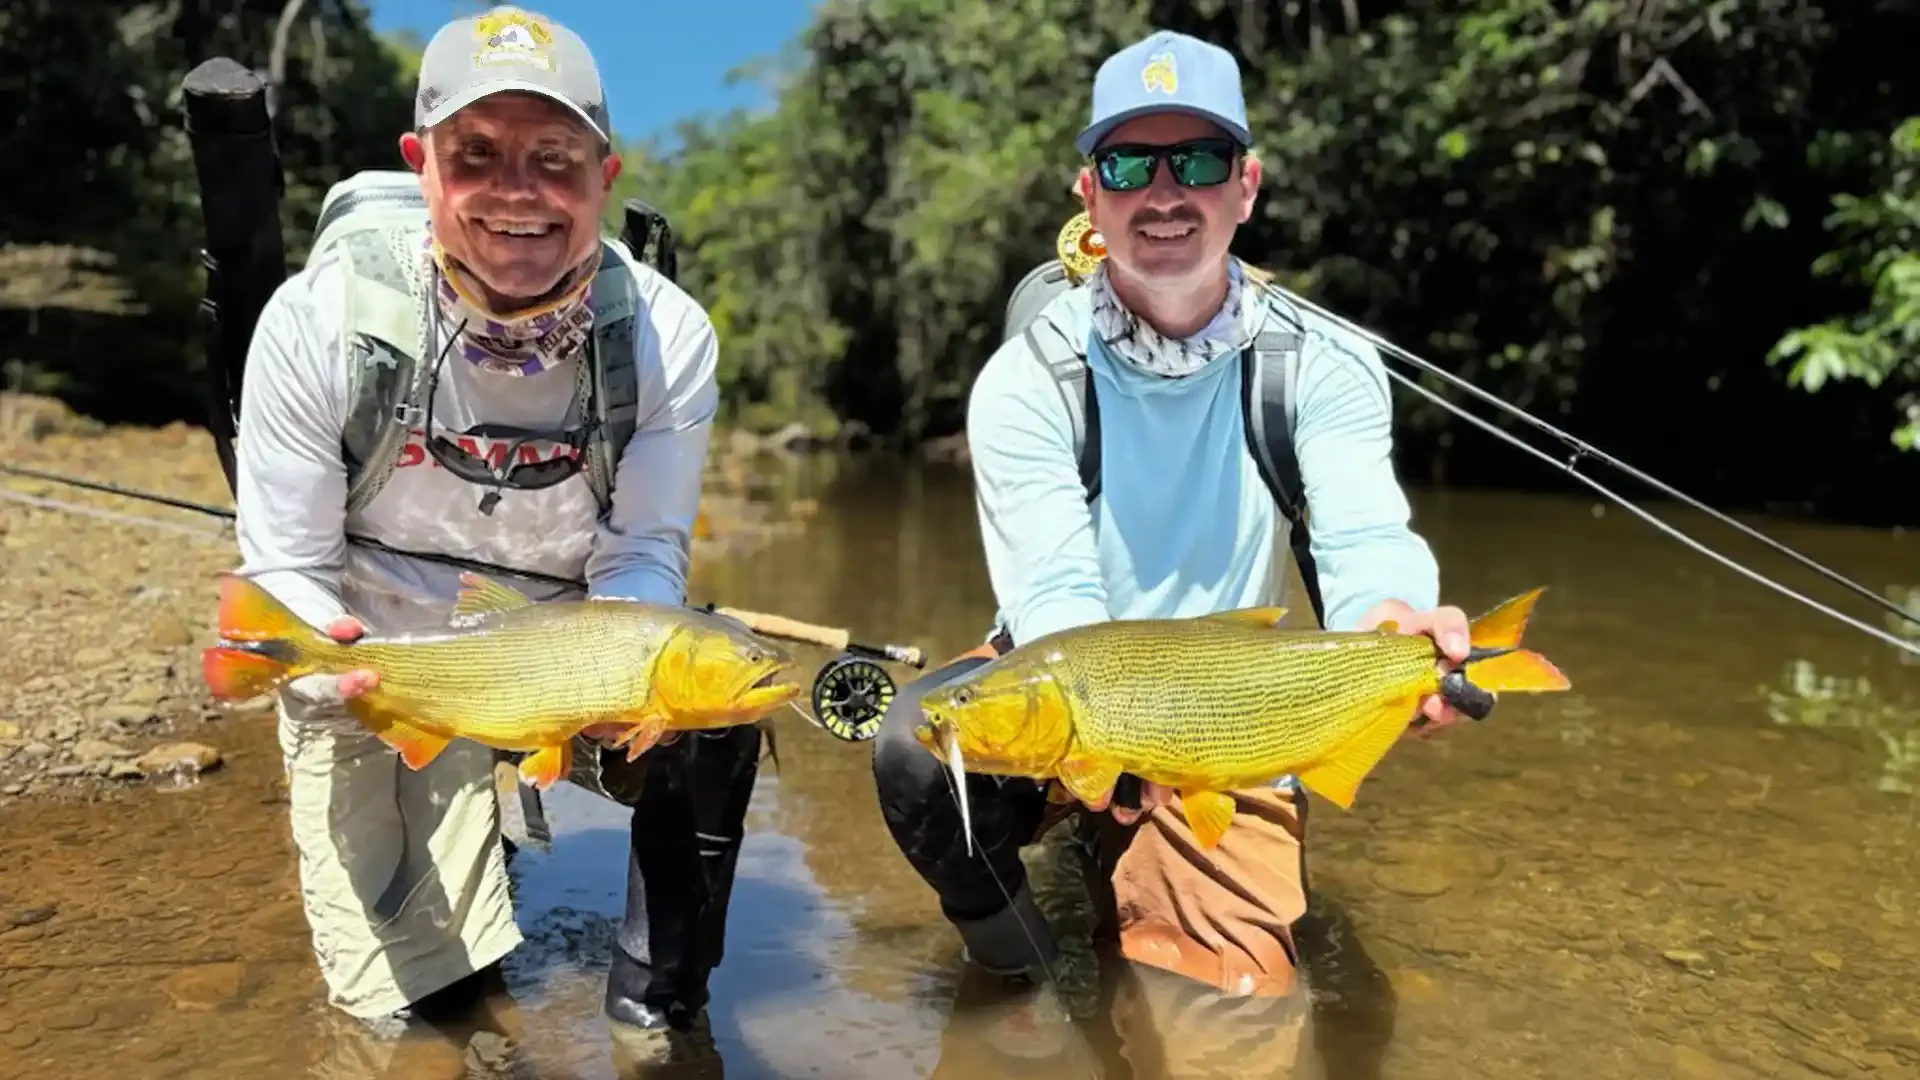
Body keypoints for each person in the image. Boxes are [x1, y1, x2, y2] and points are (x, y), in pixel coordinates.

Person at [872, 27, 1472, 1066]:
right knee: (919, 750)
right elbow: (1055, 597)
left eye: (1196, 161)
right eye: (1128, 164)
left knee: (1227, 1021)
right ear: (1088, 195)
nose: (1164, 192)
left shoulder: (1323, 363)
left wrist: (1393, 625)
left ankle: (1162, 895)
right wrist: (1099, 752)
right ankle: (1014, 972)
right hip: (1084, 687)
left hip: (1230, 716)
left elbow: (1366, 533)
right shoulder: (1025, 381)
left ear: (1246, 187)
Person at [230, 4, 753, 1061]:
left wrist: (630, 672)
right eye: (477, 155)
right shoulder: (317, 319)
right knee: (415, 1016)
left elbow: (644, 550)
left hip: (559, 645)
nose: (518, 191)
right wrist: (324, 662)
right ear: (422, 165)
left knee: (717, 687)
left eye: (554, 159)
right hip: (378, 654)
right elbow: (286, 566)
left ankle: (659, 1015)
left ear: (605, 177)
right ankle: (463, 847)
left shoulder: (666, 336)